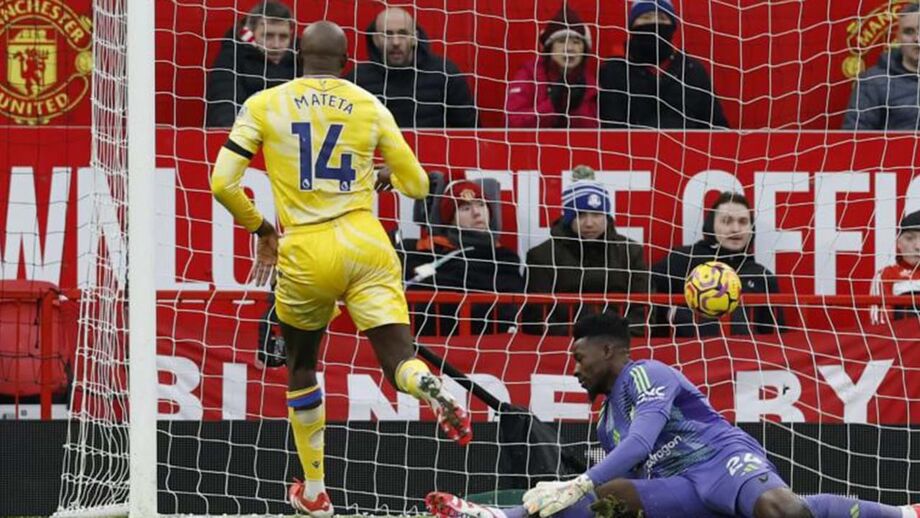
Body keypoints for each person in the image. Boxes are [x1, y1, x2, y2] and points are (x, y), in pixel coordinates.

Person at [209, 21, 472, 516]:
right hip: (366, 241)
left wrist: (262, 229)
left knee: (303, 365)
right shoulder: (370, 105)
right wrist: (391, 174)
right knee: (398, 360)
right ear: (350, 58)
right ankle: (426, 385)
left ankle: (315, 489)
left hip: (307, 248)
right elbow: (419, 186)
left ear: (300, 55)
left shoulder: (265, 103)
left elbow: (222, 183)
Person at [426, 312, 920, 518]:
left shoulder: (645, 374)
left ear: (608, 349)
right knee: (609, 502)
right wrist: (579, 490)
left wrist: (575, 482)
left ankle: (902, 513)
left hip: (718, 462)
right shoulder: (604, 422)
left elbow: (642, 443)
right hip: (679, 486)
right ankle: (495, 514)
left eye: (579, 358)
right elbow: (634, 469)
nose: (574, 369)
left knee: (782, 511)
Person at [524, 167, 649, 335]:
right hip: (564, 346)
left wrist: (617, 338)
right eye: (581, 215)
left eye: (597, 214)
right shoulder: (542, 256)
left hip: (620, 346)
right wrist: (580, 337)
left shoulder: (631, 252)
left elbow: (644, 311)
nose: (589, 223)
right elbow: (536, 317)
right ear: (568, 218)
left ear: (607, 216)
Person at [400, 180, 524, 335]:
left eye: (480, 204)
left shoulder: (505, 259)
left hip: (490, 347)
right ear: (451, 219)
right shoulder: (422, 254)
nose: (477, 212)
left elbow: (511, 311)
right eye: (465, 208)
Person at [651, 192, 784, 337]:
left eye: (743, 222)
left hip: (745, 356)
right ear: (710, 225)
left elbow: (776, 336)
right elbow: (645, 294)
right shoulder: (683, 259)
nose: (735, 229)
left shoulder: (762, 276)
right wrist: (678, 315)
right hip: (689, 355)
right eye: (727, 221)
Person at [598, 0, 728, 129]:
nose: (654, 23)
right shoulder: (613, 70)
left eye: (662, 17)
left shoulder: (692, 70)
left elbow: (717, 126)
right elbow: (611, 126)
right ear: (632, 25)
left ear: (673, 26)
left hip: (689, 148)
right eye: (646, 17)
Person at [346, 7, 477, 128]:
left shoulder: (445, 74)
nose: (395, 42)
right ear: (375, 40)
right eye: (388, 34)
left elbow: (469, 131)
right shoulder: (357, 80)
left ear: (415, 38)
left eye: (402, 33)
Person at [205, 1, 300, 127]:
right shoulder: (232, 57)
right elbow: (224, 107)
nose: (276, 45)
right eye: (268, 36)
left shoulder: (302, 57)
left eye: (283, 37)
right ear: (251, 33)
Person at [506, 6, 599, 128]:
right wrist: (552, 105)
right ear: (549, 48)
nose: (569, 48)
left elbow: (593, 135)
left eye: (576, 42)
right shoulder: (529, 74)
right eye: (561, 41)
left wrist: (575, 108)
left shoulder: (589, 81)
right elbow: (512, 123)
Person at [843, 3, 920, 130]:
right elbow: (854, 137)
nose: (917, 39)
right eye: (909, 32)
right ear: (898, 37)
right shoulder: (873, 82)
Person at [870, 209, 920, 324]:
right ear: (898, 243)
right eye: (909, 238)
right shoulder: (887, 275)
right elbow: (880, 324)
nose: (918, 246)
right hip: (902, 341)